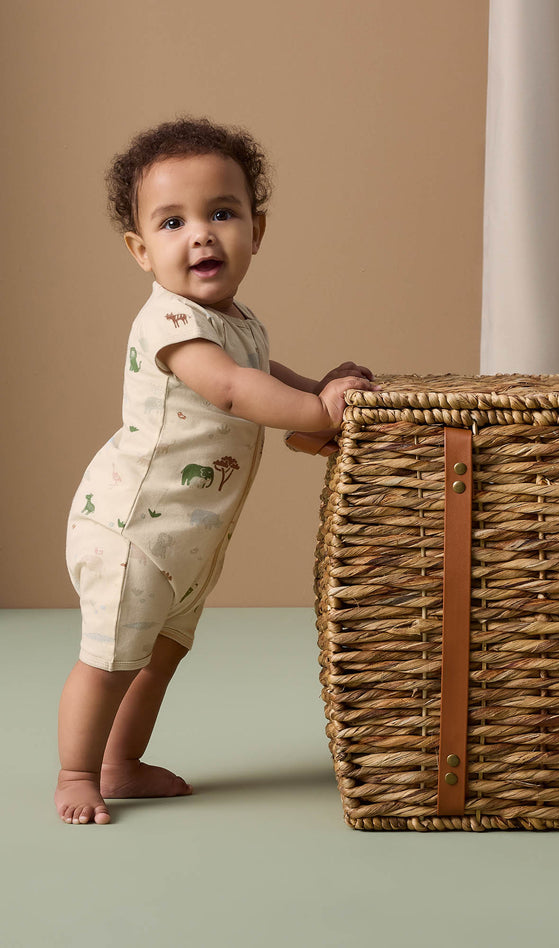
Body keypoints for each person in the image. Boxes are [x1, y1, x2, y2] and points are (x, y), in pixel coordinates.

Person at [55, 117, 376, 825]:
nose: (200, 235)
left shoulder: (238, 320)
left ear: (256, 231)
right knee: (110, 661)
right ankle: (77, 772)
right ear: (140, 250)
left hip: (187, 541)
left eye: (221, 214)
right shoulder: (171, 326)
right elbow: (232, 389)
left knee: (158, 659)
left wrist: (313, 385)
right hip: (133, 531)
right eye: (172, 222)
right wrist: (317, 413)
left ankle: (121, 763)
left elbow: (260, 372)